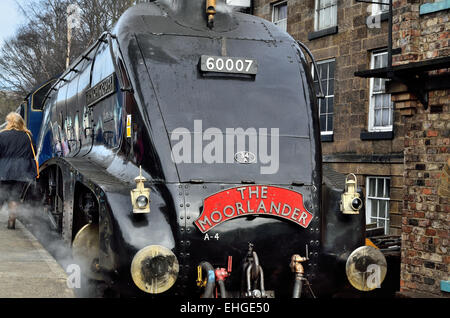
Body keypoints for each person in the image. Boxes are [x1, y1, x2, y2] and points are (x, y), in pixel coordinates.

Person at [0, 112, 38, 229]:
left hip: (4, 170)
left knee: (1, 195)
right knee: (15, 197)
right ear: (21, 123)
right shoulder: (28, 136)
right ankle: (11, 222)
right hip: (22, 171)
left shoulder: (2, 135)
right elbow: (34, 153)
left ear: (9, 122)